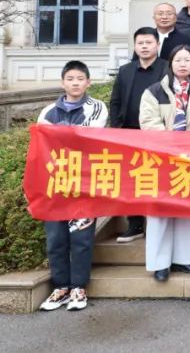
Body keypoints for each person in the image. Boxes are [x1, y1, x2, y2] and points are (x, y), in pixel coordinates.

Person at [36, 60, 108, 312]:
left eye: (80, 79)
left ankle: (78, 286)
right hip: (54, 184)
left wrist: (61, 134)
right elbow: (43, 141)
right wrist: (68, 134)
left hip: (84, 183)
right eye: (70, 79)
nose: (75, 83)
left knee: (81, 237)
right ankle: (60, 287)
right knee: (56, 238)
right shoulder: (47, 111)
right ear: (62, 82)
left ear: (88, 82)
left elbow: (88, 137)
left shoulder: (97, 107)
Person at [138, 46, 190, 282]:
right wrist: (173, 143)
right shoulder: (154, 91)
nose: (182, 64)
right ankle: (160, 263)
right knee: (160, 211)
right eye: (178, 60)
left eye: (187, 60)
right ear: (170, 64)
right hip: (161, 158)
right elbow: (148, 122)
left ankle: (186, 259)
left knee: (188, 209)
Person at [108, 27, 167, 243]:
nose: (144, 47)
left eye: (148, 42)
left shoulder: (167, 68)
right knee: (131, 180)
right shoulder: (126, 70)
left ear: (157, 45)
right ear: (134, 46)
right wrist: (116, 129)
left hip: (157, 135)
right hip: (129, 134)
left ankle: (157, 223)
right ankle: (134, 225)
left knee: (157, 179)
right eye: (140, 43)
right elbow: (115, 101)